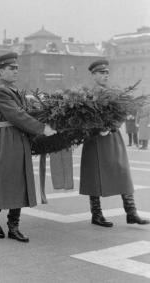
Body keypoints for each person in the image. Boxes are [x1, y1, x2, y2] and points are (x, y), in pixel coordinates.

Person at [0, 52, 56, 243]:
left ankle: (13, 226)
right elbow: (17, 115)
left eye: (16, 68)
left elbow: (26, 114)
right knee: (4, 178)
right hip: (6, 140)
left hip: (19, 138)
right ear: (0, 71)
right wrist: (42, 128)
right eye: (11, 68)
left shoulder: (16, 91)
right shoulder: (1, 91)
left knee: (19, 180)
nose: (15, 71)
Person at [80, 59, 149, 227]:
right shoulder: (87, 94)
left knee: (123, 171)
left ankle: (131, 213)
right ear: (93, 75)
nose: (105, 75)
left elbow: (121, 113)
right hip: (95, 139)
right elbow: (83, 117)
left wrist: (112, 126)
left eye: (107, 73)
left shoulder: (112, 92)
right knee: (94, 175)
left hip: (112, 137)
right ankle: (96, 214)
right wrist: (97, 128)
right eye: (101, 73)